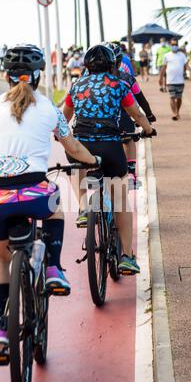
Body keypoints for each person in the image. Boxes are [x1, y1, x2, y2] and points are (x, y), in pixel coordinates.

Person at [0, 44, 100, 361]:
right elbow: (73, 146)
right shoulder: (50, 109)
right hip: (35, 194)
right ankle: (52, 267)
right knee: (57, 206)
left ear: (7, 77)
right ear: (38, 76)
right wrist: (91, 159)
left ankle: (0, 331)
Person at [62, 44, 153, 275]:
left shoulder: (75, 86)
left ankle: (83, 207)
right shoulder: (119, 86)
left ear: (86, 66)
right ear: (112, 65)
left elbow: (63, 118)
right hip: (110, 147)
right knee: (121, 198)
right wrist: (148, 129)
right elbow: (136, 114)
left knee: (75, 167)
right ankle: (127, 256)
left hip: (81, 146)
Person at [105, 41, 156, 189]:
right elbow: (141, 98)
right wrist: (150, 116)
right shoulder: (126, 79)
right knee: (129, 138)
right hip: (123, 119)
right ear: (119, 61)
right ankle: (132, 172)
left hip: (97, 124)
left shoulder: (90, 80)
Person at [159, 38, 191, 121]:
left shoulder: (182, 55)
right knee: (172, 97)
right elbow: (163, 68)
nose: (174, 46)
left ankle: (178, 111)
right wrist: (160, 78)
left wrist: (189, 72)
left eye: (175, 45)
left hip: (180, 80)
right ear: (170, 45)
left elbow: (186, 65)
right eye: (173, 45)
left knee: (179, 98)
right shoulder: (166, 56)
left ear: (178, 45)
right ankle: (175, 113)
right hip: (170, 81)